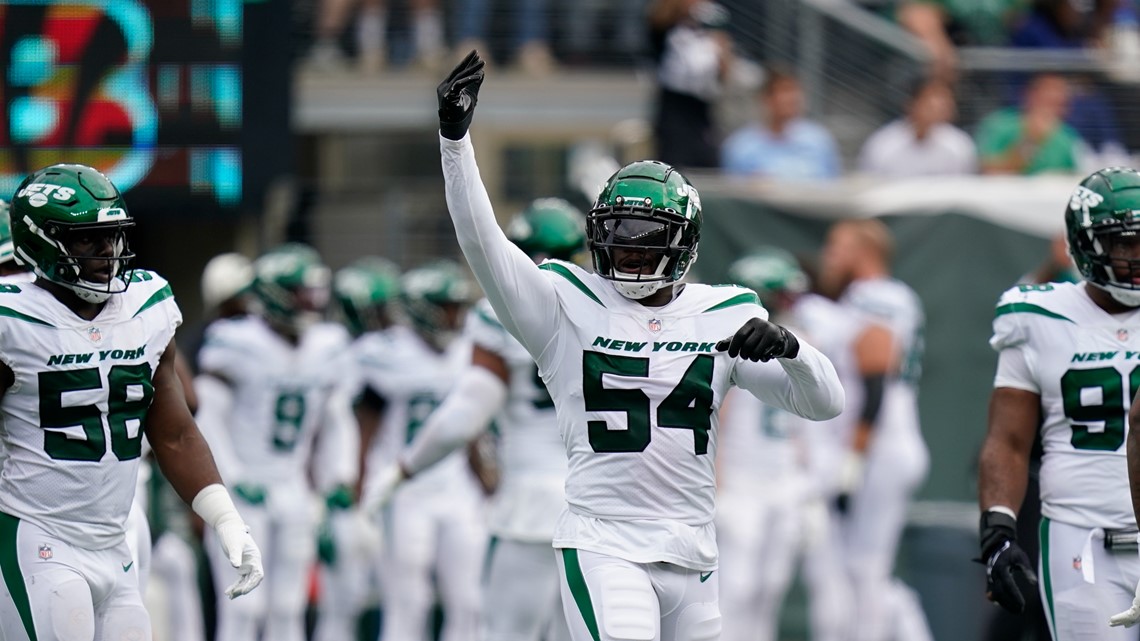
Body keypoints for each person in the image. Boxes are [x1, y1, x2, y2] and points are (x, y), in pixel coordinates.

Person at [432, 50, 844, 641]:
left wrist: (791, 348)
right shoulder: (562, 301)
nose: (627, 252)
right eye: (617, 236)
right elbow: (483, 241)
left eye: (644, 239)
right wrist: (455, 143)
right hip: (605, 541)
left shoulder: (723, 311)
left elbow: (824, 403)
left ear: (685, 246)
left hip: (695, 551)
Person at [0, 163, 263, 641]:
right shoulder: (11, 317)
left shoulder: (146, 304)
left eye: (113, 237)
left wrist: (227, 519)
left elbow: (175, 431)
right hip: (37, 534)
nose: (107, 253)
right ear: (40, 241)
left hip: (115, 538)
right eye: (88, 240)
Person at [366, 199, 588, 641]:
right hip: (601, 501)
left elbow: (465, 415)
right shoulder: (611, 312)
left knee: (503, 631)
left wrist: (403, 469)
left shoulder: (500, 313)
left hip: (531, 503)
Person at [979, 167, 1140, 639]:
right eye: (1125, 243)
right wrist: (997, 531)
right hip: (1083, 539)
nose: (1138, 255)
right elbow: (1007, 440)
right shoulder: (1038, 316)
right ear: (1086, 244)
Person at [194, 242, 358, 641]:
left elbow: (336, 419)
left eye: (314, 293)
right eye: (302, 293)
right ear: (275, 295)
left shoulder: (328, 345)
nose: (311, 303)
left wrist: (339, 476)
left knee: (289, 606)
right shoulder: (235, 340)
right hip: (243, 490)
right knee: (243, 606)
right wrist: (232, 476)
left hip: (293, 487)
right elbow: (208, 417)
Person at [358, 258, 487, 641]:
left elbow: (473, 424)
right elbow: (365, 425)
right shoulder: (386, 351)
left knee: (469, 601)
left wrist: (485, 477)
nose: (456, 317)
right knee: (408, 601)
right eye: (448, 307)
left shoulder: (469, 350)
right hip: (405, 490)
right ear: (423, 308)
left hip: (457, 489)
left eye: (460, 307)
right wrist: (359, 486)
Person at [817, 218, 932, 641]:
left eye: (837, 245)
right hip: (887, 442)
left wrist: (854, 456)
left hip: (880, 444)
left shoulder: (873, 296)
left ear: (863, 251)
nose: (829, 255)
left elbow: (876, 375)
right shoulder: (889, 295)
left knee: (866, 567)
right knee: (861, 567)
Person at [715, 247, 818, 641]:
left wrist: (809, 485)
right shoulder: (732, 343)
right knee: (736, 587)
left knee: (771, 587)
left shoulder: (800, 343)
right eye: (783, 296)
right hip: (742, 482)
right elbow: (718, 417)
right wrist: (717, 483)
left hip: (784, 479)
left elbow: (806, 425)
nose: (791, 305)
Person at [312, 256, 400, 641]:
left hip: (367, 486)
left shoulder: (357, 350)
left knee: (366, 598)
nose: (388, 318)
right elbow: (340, 428)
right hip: (342, 488)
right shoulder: (338, 353)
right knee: (342, 601)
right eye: (381, 308)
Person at [648, 0, 734, 169]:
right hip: (674, 108)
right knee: (674, 165)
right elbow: (658, 18)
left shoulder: (709, 28)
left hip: (702, 109)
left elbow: (722, 73)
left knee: (706, 161)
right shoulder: (667, 27)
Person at [720, 66, 842, 180]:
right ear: (765, 98)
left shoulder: (819, 140)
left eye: (795, 91)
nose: (792, 98)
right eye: (784, 91)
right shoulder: (740, 146)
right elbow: (733, 195)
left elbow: (833, 186)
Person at [856, 76, 977, 178]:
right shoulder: (882, 145)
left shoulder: (959, 145)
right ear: (910, 103)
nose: (938, 107)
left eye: (944, 101)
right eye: (930, 101)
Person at [975, 73, 1085, 175]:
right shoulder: (1000, 125)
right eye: (1048, 101)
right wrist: (1031, 140)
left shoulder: (1067, 136)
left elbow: (1075, 175)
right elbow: (988, 172)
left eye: (1060, 104)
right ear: (1030, 96)